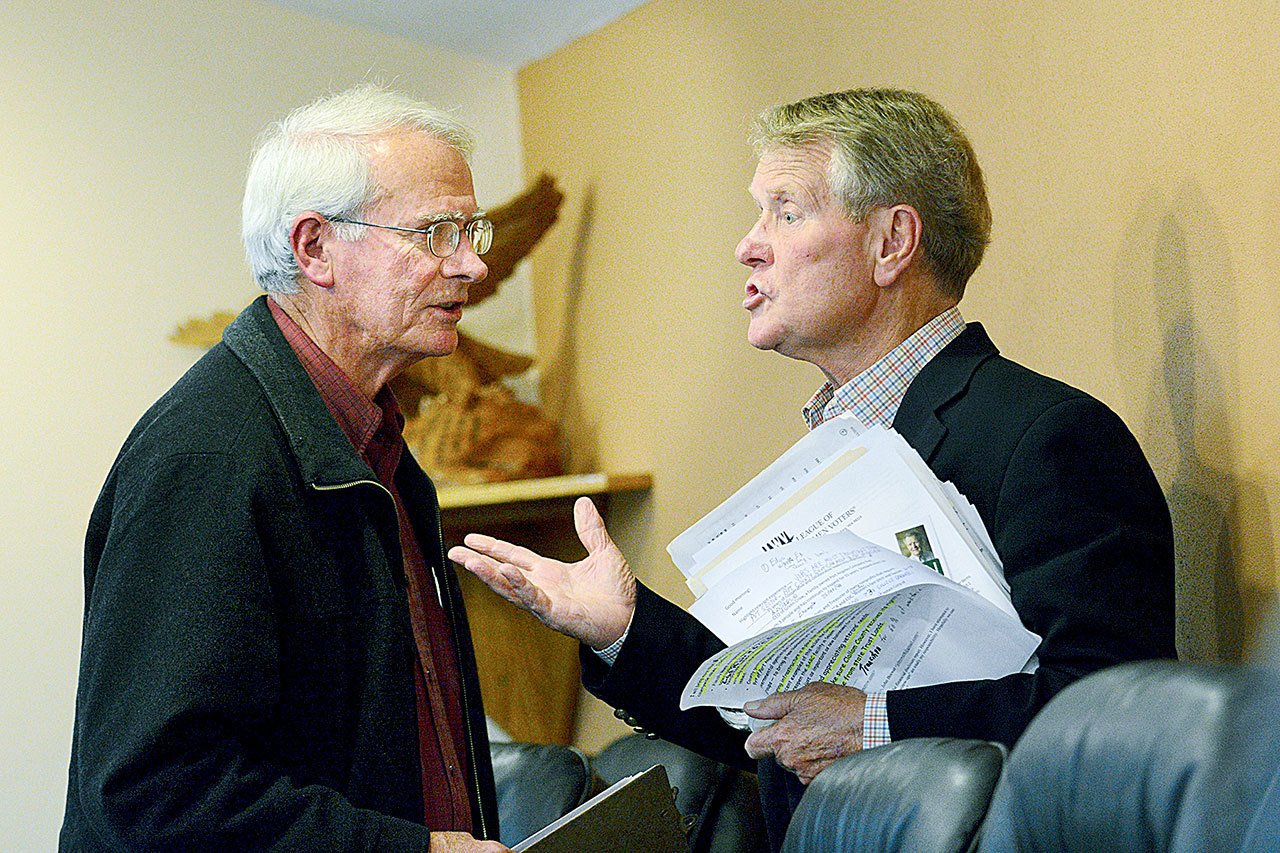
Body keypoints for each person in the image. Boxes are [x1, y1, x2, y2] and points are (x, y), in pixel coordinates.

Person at [448, 87, 1175, 850]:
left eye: (785, 212)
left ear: (892, 241)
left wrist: (875, 722)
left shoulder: (1048, 437)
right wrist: (623, 629)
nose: (748, 245)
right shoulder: (820, 467)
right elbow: (772, 721)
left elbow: (1115, 716)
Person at [61, 85, 509, 851]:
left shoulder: (378, 443)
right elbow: (154, 791)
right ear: (314, 248)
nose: (471, 262)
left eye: (470, 228)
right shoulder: (205, 460)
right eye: (435, 231)